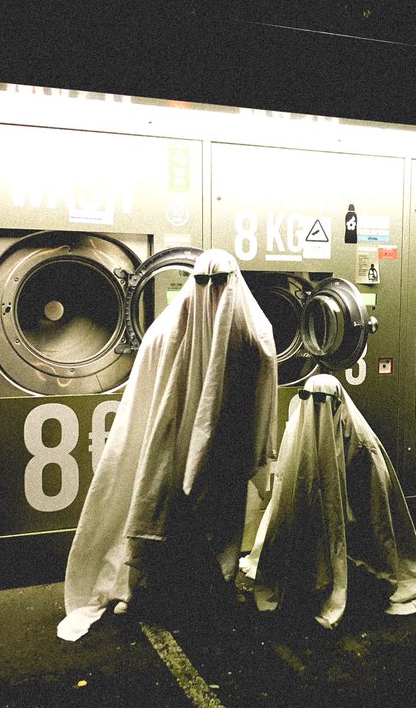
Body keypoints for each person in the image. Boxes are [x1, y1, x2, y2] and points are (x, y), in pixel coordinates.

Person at [57, 248, 277, 641]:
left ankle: (188, 589)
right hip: (175, 447)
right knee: (175, 515)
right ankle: (158, 588)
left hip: (209, 450)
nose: (214, 293)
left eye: (220, 283)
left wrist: (252, 446)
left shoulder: (240, 333)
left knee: (189, 516)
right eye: (205, 283)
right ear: (195, 283)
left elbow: (259, 394)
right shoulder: (243, 332)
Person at [239, 373, 416, 629]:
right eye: (310, 399)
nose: (317, 408)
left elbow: (376, 505)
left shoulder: (362, 443)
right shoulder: (300, 432)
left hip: (356, 520)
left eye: (323, 401)